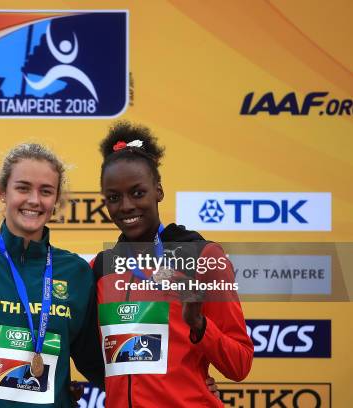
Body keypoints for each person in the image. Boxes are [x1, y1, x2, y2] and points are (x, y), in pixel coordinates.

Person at [91, 122, 253, 407]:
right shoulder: (101, 267)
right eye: (114, 198)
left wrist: (200, 326)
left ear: (159, 191)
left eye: (138, 192)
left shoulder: (202, 256)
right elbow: (96, 358)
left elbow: (239, 364)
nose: (126, 206)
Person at [0, 143, 104, 407]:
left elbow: (98, 363)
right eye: (23, 188)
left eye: (46, 191)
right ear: (2, 192)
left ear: (56, 200)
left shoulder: (76, 273)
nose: (34, 200)